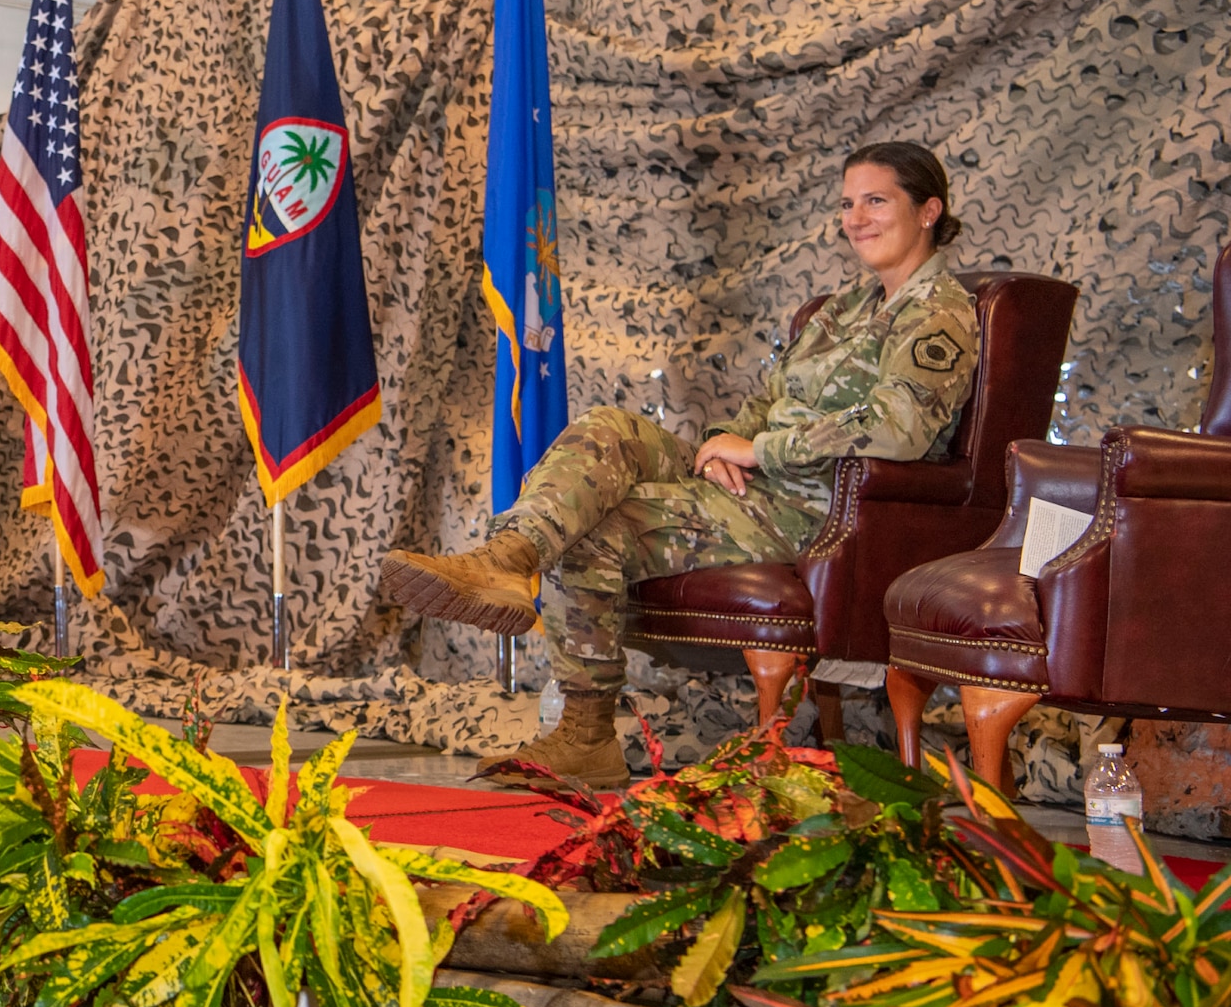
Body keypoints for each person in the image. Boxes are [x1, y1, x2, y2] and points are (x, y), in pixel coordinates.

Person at [380, 142, 980, 787]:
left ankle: (585, 733)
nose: (856, 217)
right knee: (605, 427)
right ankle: (507, 558)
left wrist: (760, 450)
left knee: (596, 533)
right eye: (846, 203)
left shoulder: (937, 312)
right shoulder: (842, 309)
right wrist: (726, 440)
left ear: (927, 211)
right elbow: (765, 401)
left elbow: (899, 431)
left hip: (820, 508)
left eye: (875, 201)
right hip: (759, 485)